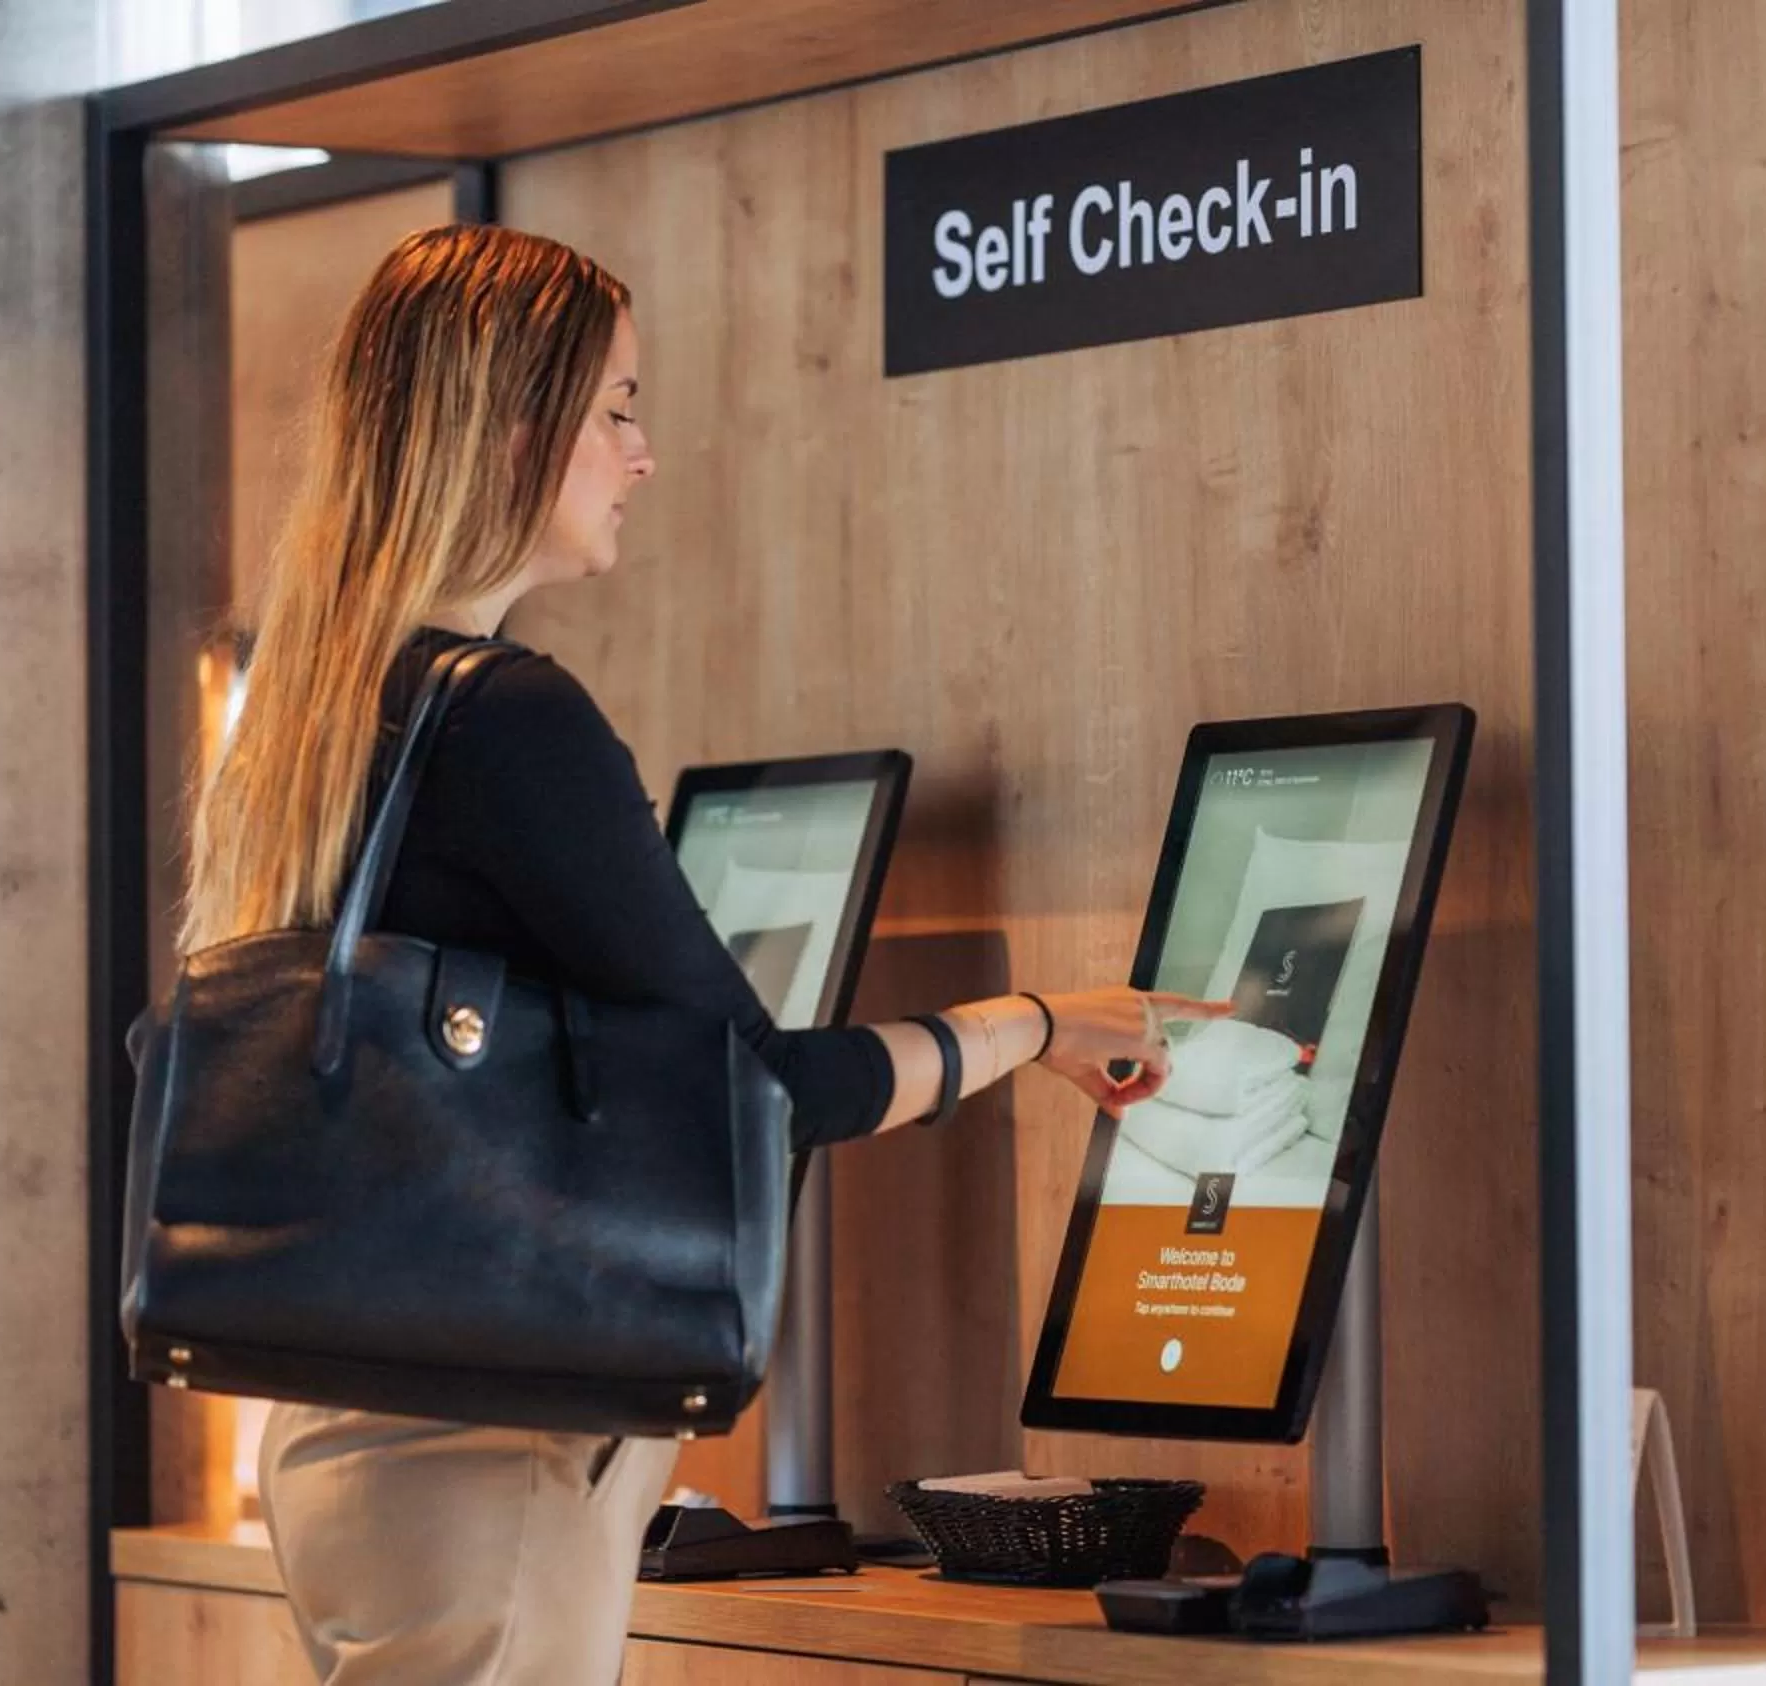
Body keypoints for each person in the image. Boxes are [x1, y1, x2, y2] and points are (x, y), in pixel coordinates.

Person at [179, 223, 1225, 1686]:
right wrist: (1032, 1023)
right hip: (497, 1452)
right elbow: (760, 1083)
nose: (643, 452)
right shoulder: (502, 719)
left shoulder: (320, 708)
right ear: (517, 425)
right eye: (616, 405)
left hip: (347, 1436)